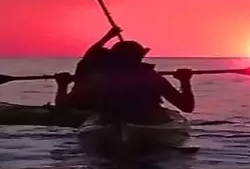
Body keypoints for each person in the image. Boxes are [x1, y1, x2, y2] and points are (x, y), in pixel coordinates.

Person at [62, 40, 194, 124]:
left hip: (110, 121)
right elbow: (187, 107)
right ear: (140, 58)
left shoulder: (101, 78)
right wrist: (185, 80)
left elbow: (64, 108)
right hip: (147, 121)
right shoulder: (152, 77)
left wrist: (62, 85)